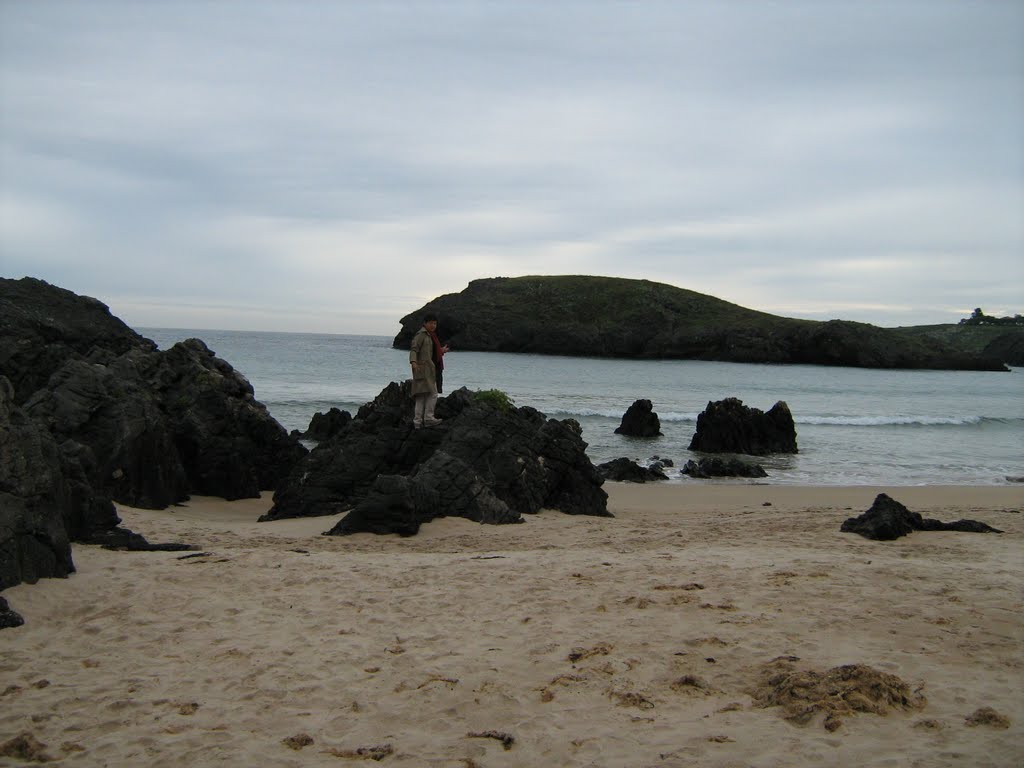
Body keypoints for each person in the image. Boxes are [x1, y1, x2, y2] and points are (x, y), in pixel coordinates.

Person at [409, 312, 449, 428]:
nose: (433, 326)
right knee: (432, 394)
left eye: (435, 323)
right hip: (423, 369)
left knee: (422, 395)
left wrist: (441, 350)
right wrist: (413, 362)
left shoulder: (431, 336)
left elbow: (431, 352)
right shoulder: (421, 335)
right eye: (431, 323)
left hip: (430, 369)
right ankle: (428, 418)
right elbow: (414, 349)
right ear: (425, 323)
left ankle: (418, 422)